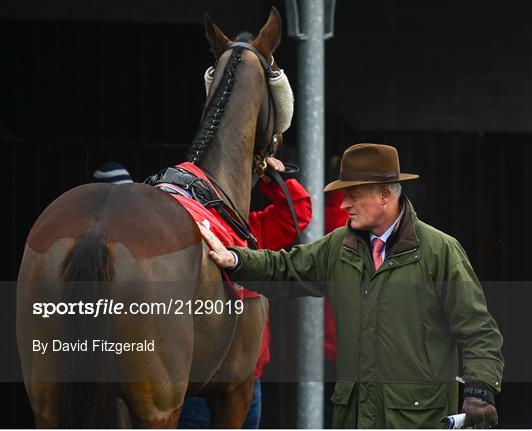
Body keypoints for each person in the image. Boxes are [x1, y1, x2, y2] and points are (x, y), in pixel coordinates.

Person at [198, 143, 504, 429]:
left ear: (385, 195)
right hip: (354, 419)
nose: (343, 204)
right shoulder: (338, 247)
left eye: (353, 195)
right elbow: (284, 269)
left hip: (419, 419)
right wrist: (236, 260)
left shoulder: (441, 252)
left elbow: (478, 330)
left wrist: (480, 390)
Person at [179, 156, 312, 429]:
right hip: (198, 384)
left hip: (249, 379)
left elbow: (297, 214)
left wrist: (277, 179)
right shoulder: (190, 236)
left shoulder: (251, 231)